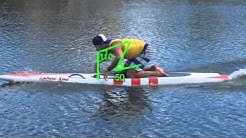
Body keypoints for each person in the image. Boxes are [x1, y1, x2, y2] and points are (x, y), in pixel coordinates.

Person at [92, 34, 169, 81]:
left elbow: (119, 58)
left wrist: (108, 70)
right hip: (134, 53)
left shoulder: (115, 44)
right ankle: (152, 68)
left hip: (145, 50)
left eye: (96, 47)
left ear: (101, 44)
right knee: (122, 73)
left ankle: (158, 73)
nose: (96, 49)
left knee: (131, 74)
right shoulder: (107, 46)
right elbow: (102, 60)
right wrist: (97, 68)